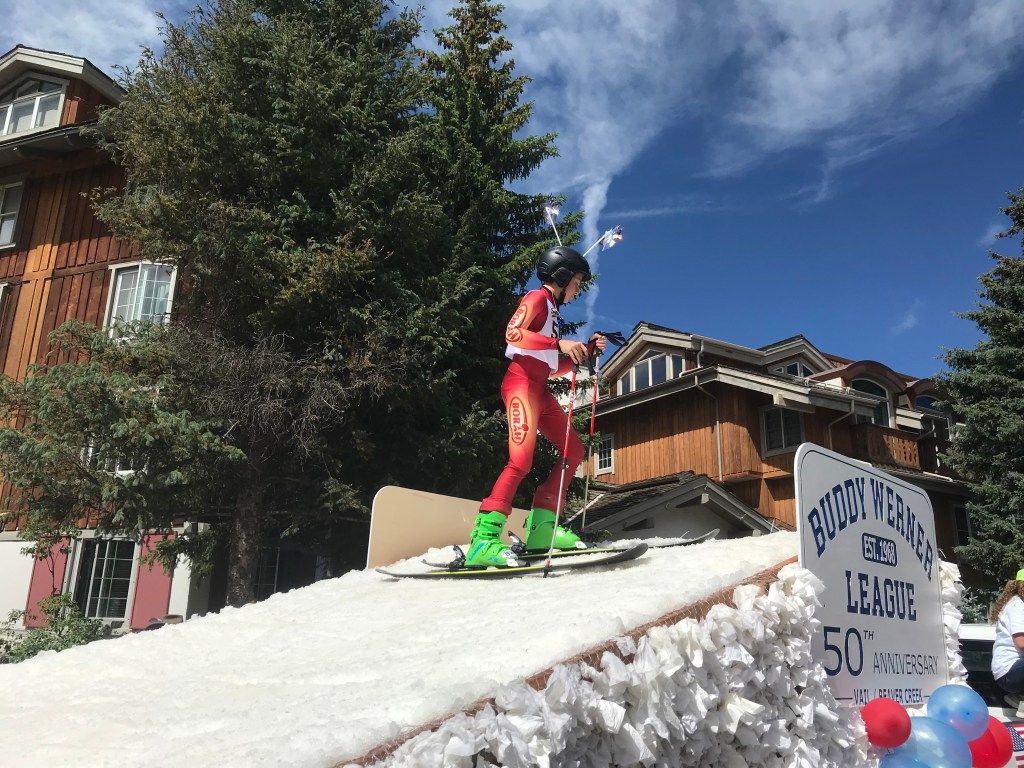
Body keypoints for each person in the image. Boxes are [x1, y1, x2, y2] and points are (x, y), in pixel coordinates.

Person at [467, 246, 607, 567]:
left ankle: (543, 528)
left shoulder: (554, 314)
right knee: (520, 461)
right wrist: (559, 343)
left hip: (539, 389)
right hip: (520, 384)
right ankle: (483, 539)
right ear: (562, 276)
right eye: (576, 283)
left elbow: (550, 366)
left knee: (574, 451)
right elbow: (513, 333)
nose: (577, 290)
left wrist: (585, 351)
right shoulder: (536, 298)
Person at [990, 567, 1024, 718]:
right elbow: (1021, 642)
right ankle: (1019, 698)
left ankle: (1020, 697)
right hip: (1009, 671)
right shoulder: (1018, 606)